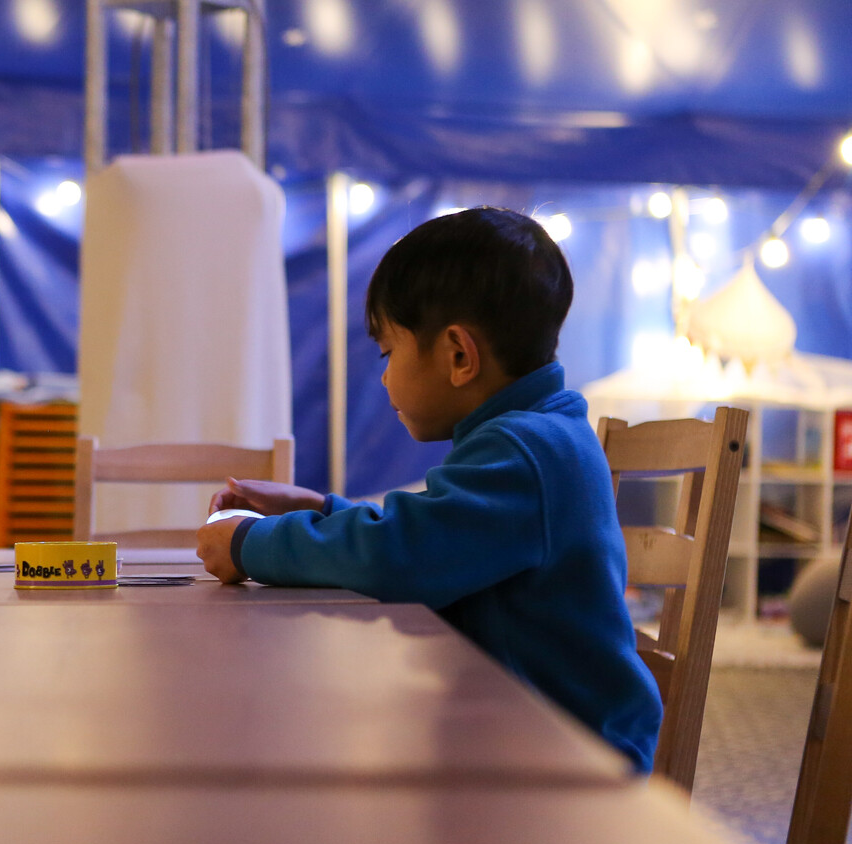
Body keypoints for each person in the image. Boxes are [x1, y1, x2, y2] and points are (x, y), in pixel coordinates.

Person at [196, 206, 664, 772]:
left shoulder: (523, 448)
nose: (385, 375)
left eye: (388, 352)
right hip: (532, 731)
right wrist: (323, 508)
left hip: (565, 757)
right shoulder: (540, 433)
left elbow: (400, 557)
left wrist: (251, 544)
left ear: (459, 356)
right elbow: (437, 537)